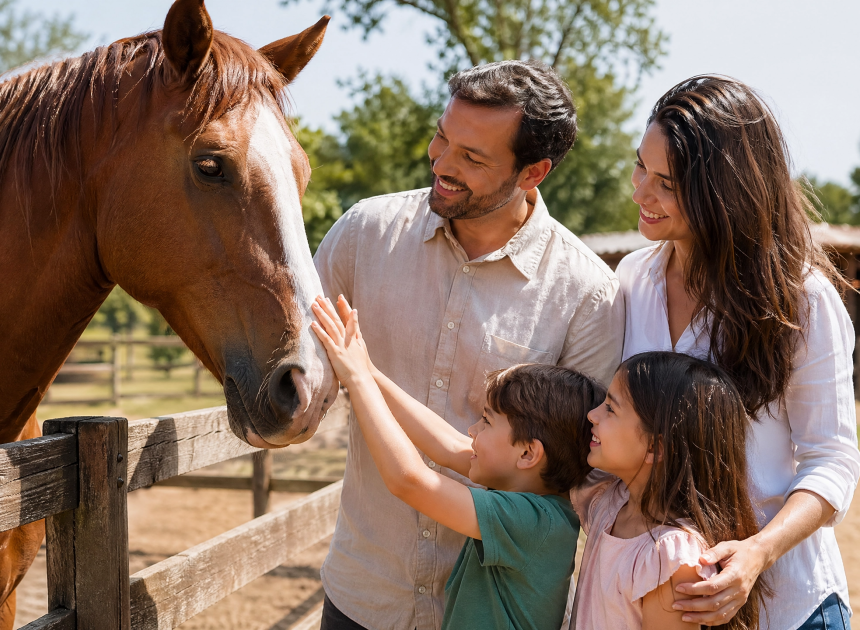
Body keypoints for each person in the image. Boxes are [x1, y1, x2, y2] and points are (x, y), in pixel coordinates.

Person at [313, 59, 624, 630]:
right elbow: (301, 357)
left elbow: (583, 470)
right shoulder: (364, 233)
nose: (443, 164)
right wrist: (358, 372)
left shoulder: (587, 294)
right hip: (363, 596)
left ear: (533, 172)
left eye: (473, 157)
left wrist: (362, 377)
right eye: (442, 138)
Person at [619, 75, 860, 628]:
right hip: (665, 605)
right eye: (640, 167)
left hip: (788, 607)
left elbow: (833, 461)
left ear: (724, 192)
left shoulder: (801, 299)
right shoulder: (632, 281)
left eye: (667, 182)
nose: (640, 192)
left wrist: (757, 553)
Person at [310, 294, 605, 630]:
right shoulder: (532, 494)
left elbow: (409, 480)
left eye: (486, 421)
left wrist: (357, 381)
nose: (471, 430)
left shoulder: (533, 522)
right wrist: (369, 371)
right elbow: (447, 445)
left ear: (527, 454)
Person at [569, 351, 767, 630]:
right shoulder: (611, 503)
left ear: (656, 447)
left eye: (611, 409)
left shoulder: (671, 559)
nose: (593, 415)